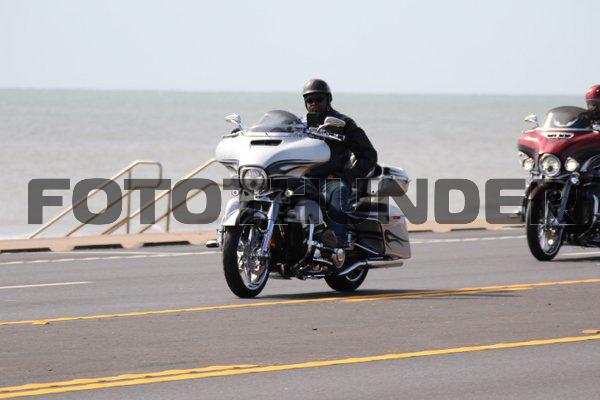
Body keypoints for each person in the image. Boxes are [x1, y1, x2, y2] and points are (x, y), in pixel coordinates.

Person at [301, 79, 378, 248]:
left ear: (328, 99)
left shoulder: (343, 123)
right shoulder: (299, 125)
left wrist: (347, 176)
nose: (314, 103)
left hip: (331, 180)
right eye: (309, 100)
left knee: (338, 191)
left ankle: (336, 242)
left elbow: (368, 155)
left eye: (319, 99)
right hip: (303, 177)